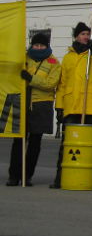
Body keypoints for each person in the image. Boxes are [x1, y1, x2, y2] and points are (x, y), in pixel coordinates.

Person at [51, 21, 92, 189]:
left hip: (88, 106)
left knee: (90, 145)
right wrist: (59, 105)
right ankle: (61, 176)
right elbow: (62, 83)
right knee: (66, 143)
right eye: (83, 34)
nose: (86, 37)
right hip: (71, 105)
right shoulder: (68, 56)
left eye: (88, 34)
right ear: (76, 36)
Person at [7, 32, 60, 187]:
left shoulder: (54, 62)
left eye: (41, 45)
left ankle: (27, 175)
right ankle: (13, 175)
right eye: (35, 45)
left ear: (47, 46)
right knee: (18, 141)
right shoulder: (23, 58)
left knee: (35, 143)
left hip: (41, 105)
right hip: (22, 102)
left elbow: (51, 83)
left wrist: (31, 79)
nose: (38, 47)